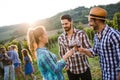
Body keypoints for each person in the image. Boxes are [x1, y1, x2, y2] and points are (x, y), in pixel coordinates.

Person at [78, 7, 120, 80]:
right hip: (105, 76)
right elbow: (94, 52)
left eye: (90, 21)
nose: (88, 24)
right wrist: (83, 50)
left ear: (97, 21)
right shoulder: (96, 35)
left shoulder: (113, 35)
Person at [58, 14, 92, 80]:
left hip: (84, 68)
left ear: (71, 22)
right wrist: (65, 65)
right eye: (63, 24)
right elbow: (62, 53)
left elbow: (90, 49)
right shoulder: (60, 38)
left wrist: (84, 51)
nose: (64, 26)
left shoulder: (81, 33)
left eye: (66, 23)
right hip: (71, 70)